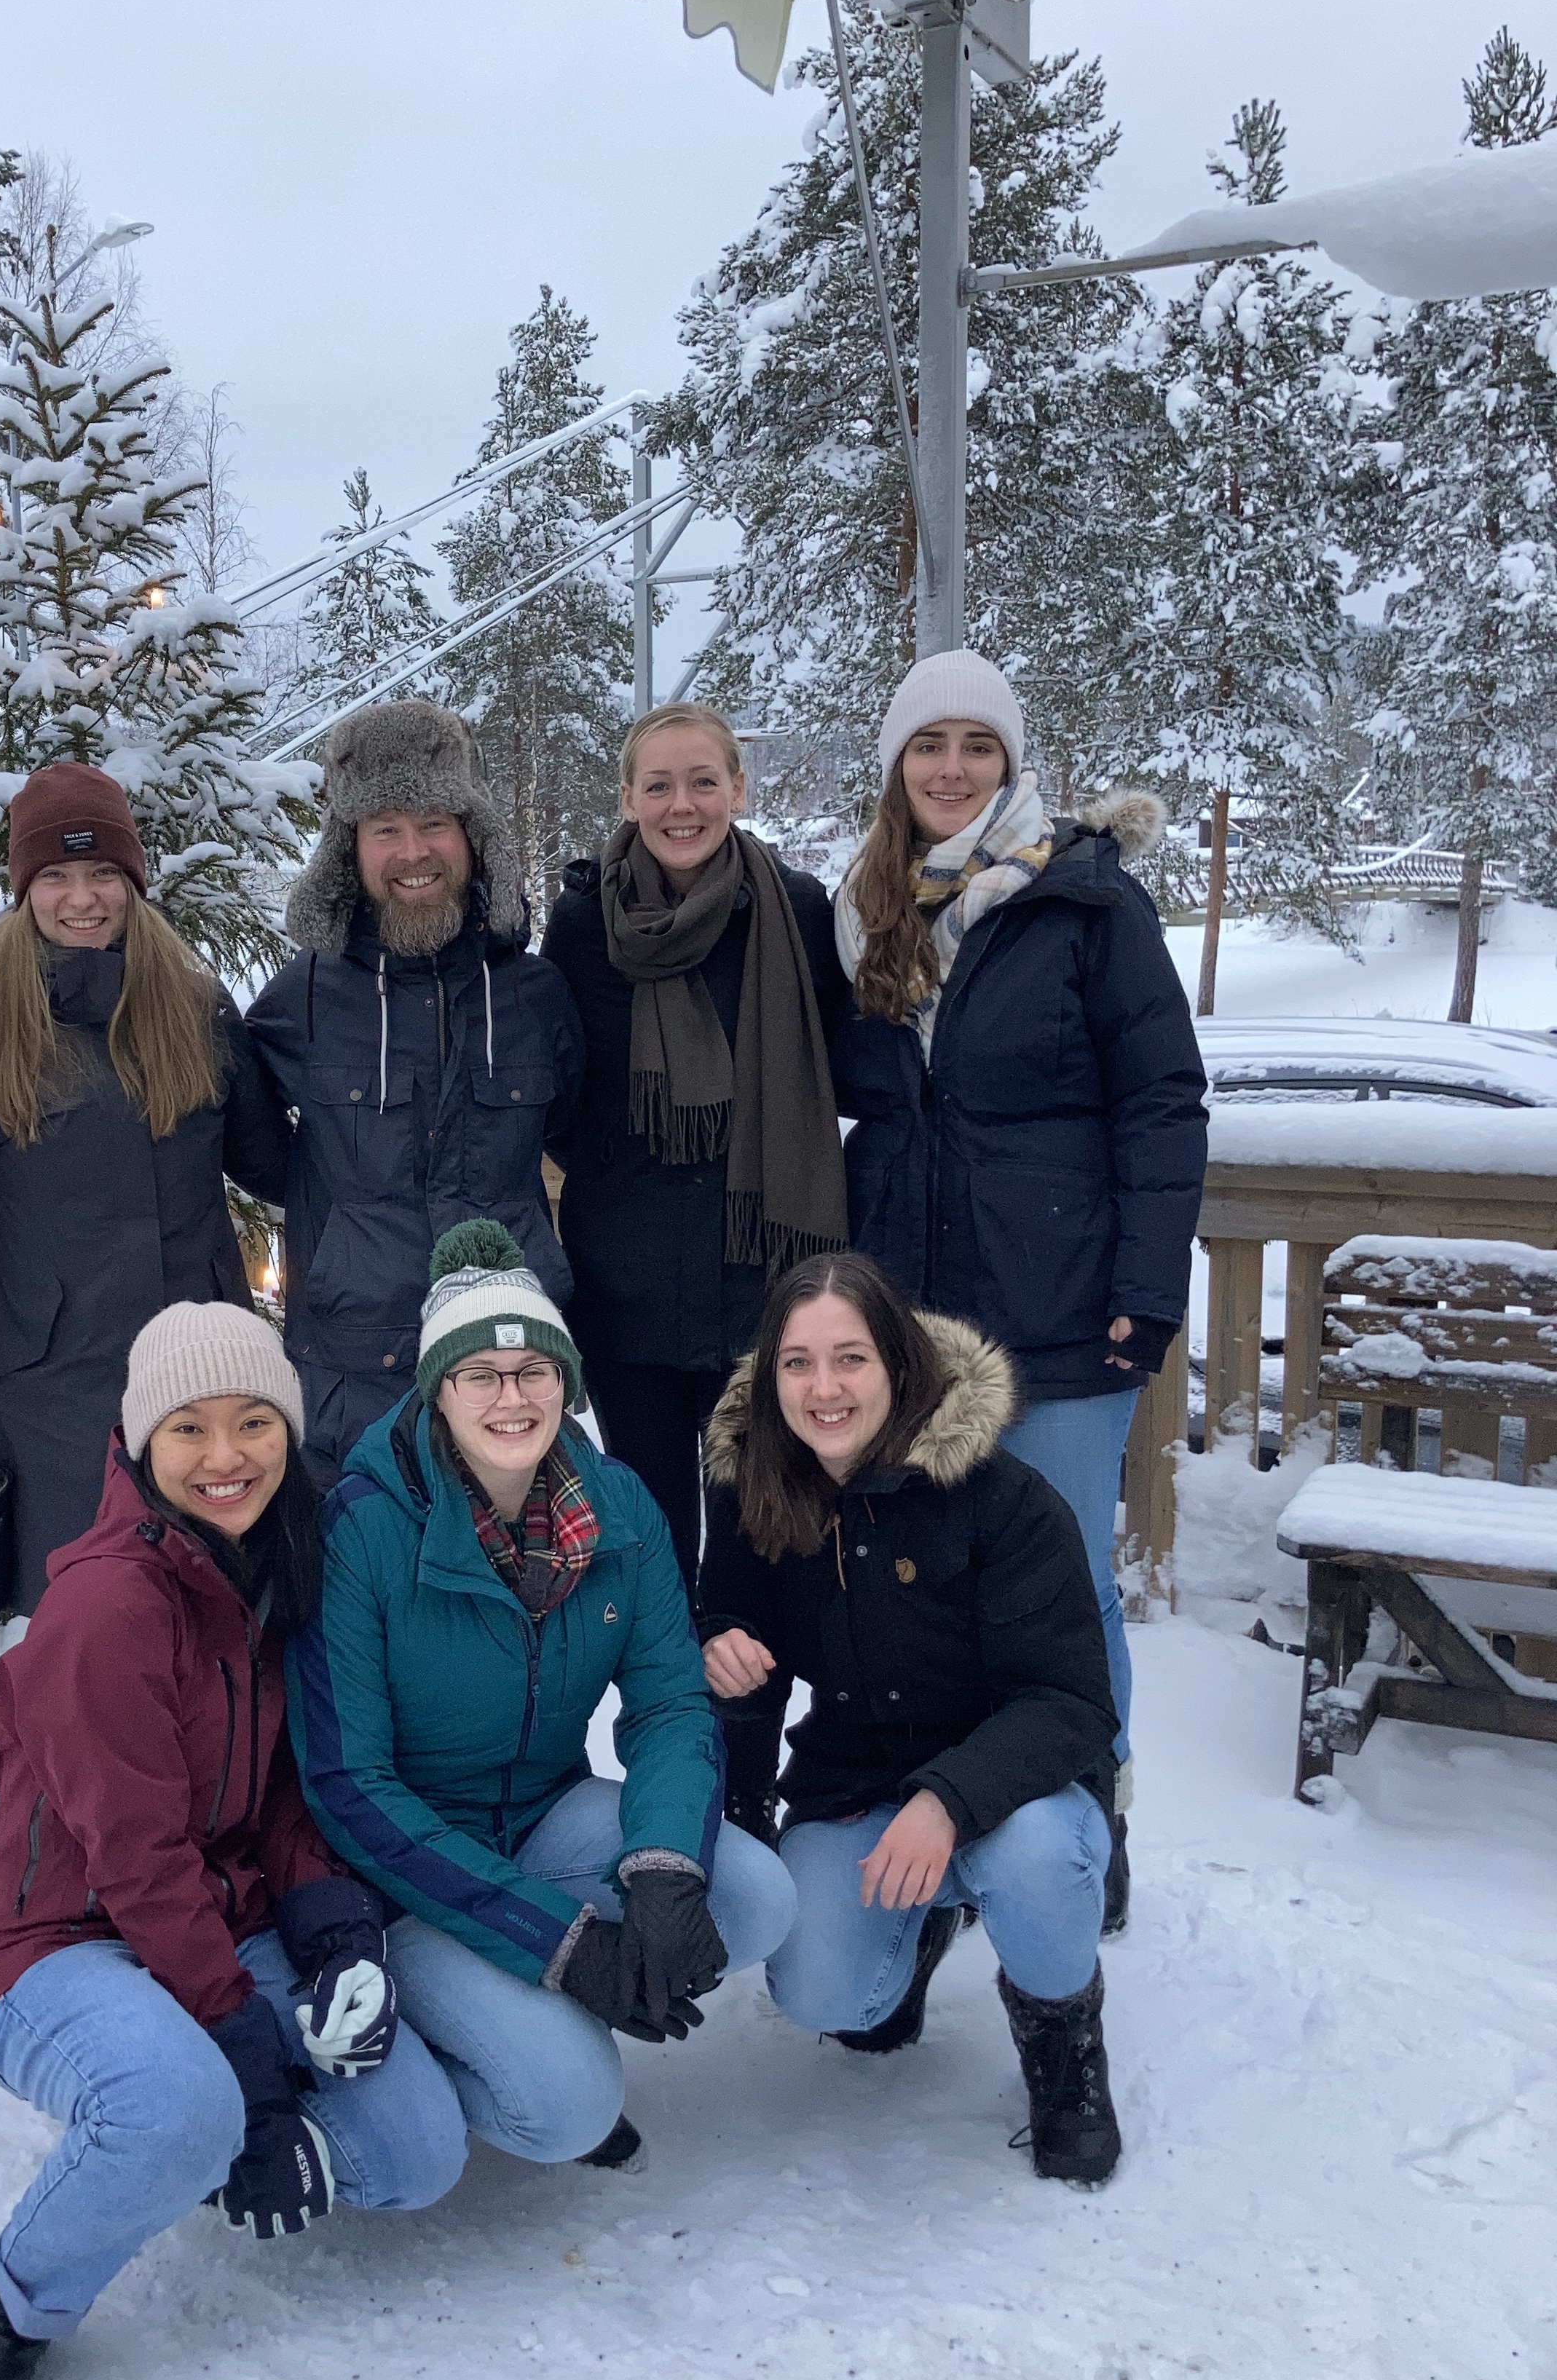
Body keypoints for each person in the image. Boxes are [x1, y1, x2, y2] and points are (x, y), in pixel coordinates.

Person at [0, 1302, 467, 2380]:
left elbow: (284, 1797)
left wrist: (328, 1937)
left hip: (219, 1920)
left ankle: (203, 2145)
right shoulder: (105, 1609)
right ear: (139, 1442)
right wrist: (244, 2067)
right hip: (58, 1948)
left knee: (419, 2147)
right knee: (185, 2104)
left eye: (251, 1422)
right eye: (189, 1428)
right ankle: (10, 2307)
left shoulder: (269, 1563)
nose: (225, 1455)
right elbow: (135, 1855)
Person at [827, 649, 1207, 1926]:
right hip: (911, 1316)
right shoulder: (866, 910)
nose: (948, 768)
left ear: (1008, 762)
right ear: (895, 767)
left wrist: (1145, 1291)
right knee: (930, 1578)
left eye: (973, 746)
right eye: (924, 746)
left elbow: (1160, 1103)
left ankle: (1084, 1823)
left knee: (1064, 1583)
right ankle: (954, 1813)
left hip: (1056, 1308)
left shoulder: (1086, 901)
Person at [289, 1222, 799, 2172]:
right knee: (566, 2110)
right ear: (439, 1391)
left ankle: (525, 1998)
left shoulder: (618, 1507)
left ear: (566, 1381)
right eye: (478, 1373)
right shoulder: (363, 1528)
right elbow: (349, 1786)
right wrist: (567, 1948)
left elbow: (670, 1708)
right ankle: (455, 2045)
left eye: (533, 1369)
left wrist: (661, 1877)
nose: (510, 1395)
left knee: (752, 1893)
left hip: (540, 1811)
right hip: (403, 1881)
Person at [697, 1252, 1123, 2185]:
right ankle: (918, 1933)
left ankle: (1064, 2048)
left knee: (1037, 1862)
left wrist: (948, 1800)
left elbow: (1072, 1700)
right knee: (821, 1993)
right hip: (859, 1781)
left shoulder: (1002, 1499)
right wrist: (723, 1648)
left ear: (897, 1363)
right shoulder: (755, 1483)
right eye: (798, 1363)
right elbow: (736, 1628)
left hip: (1021, 1790)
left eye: (850, 1358)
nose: (825, 1388)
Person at [543, 703, 845, 1841]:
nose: (682, 806)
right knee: (653, 1554)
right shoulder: (581, 927)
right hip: (627, 1294)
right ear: (626, 798)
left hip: (764, 1289)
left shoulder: (797, 913)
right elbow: (563, 1091)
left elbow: (843, 1063)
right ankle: (677, 1784)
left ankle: (748, 1785)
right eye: (658, 785)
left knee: (757, 1545)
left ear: (738, 789)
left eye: (703, 782)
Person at [0, 762, 291, 1619]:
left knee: (217, 1615)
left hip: (198, 1380)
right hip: (48, 1393)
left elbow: (278, 1167)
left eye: (102, 875)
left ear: (133, 885)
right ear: (24, 890)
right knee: (83, 1634)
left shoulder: (198, 1015)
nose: (81, 899)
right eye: (54, 875)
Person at [247, 700, 583, 1487]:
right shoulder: (302, 997)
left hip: (510, 1361)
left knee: (514, 1595)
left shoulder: (535, 994)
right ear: (349, 850)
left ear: (473, 835)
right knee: (361, 1598)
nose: (413, 852)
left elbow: (570, 1127)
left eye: (435, 822)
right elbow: (261, 1154)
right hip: (352, 1373)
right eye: (384, 829)